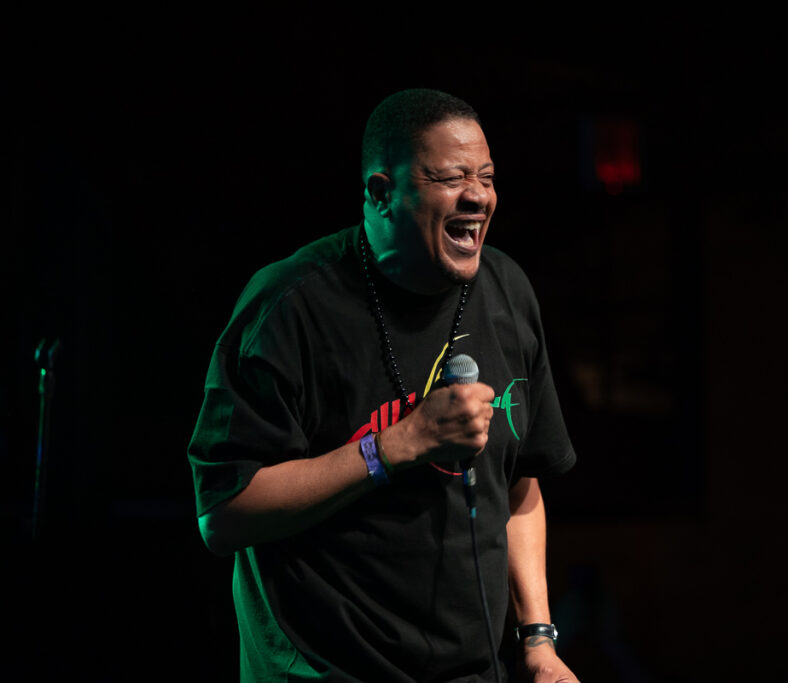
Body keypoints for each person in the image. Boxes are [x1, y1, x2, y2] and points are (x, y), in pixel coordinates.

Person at [188, 89, 579, 682]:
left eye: (486, 176)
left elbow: (520, 484)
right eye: (450, 177)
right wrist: (395, 446)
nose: (478, 195)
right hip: (325, 670)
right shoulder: (290, 306)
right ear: (380, 192)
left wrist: (538, 642)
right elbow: (224, 512)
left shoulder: (507, 290)